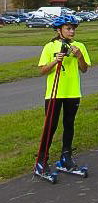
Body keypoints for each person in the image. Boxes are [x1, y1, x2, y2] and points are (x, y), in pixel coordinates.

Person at [35, 15, 91, 177]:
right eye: (68, 28)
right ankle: (41, 160)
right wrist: (55, 61)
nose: (72, 31)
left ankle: (66, 157)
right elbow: (42, 70)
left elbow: (84, 69)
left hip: (72, 92)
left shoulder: (79, 46)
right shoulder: (49, 46)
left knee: (69, 124)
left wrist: (79, 56)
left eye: (73, 29)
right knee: (50, 126)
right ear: (59, 30)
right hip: (54, 93)